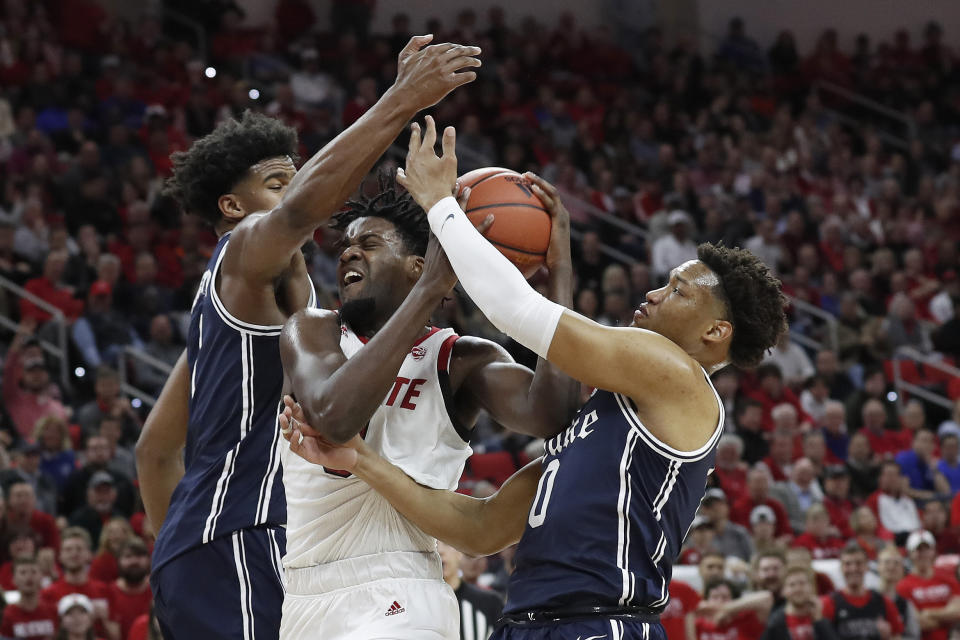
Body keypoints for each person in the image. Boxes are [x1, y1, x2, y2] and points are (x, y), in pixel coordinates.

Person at [281, 118, 787, 639]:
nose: (656, 293)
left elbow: (517, 310)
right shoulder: (605, 417)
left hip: (599, 622)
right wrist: (363, 462)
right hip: (529, 622)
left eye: (678, 291)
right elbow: (480, 529)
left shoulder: (674, 372)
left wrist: (441, 206)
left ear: (716, 332)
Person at [137, 36, 481, 639]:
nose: (295, 192)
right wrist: (401, 101)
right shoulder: (241, 253)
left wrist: (179, 557)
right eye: (276, 183)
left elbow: (153, 450)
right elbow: (299, 212)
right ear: (232, 204)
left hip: (223, 546)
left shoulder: (236, 319)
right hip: (242, 533)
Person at [276, 171, 577, 639]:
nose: (349, 252)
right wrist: (430, 289)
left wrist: (559, 275)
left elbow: (553, 415)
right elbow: (334, 415)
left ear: (420, 264)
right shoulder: (312, 330)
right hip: (299, 592)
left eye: (370, 244)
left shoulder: (460, 359)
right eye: (346, 247)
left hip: (401, 586)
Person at [819, 542, 903, 640]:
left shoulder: (884, 602)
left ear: (867, 566)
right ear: (841, 568)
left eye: (858, 563)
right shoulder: (830, 603)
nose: (853, 568)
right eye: (848, 564)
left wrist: (887, 637)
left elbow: (897, 636)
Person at [896, 530, 960, 640]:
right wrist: (947, 619)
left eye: (927, 549)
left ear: (934, 551)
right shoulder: (903, 586)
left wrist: (928, 612)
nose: (923, 554)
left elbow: (958, 611)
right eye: (918, 550)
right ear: (910, 554)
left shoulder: (948, 578)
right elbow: (917, 623)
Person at [437, 541, 503, 640]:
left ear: (459, 552)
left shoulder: (491, 602)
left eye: (446, 543)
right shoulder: (419, 603)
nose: (440, 551)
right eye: (435, 545)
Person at [760, 566, 840, 640]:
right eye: (792, 585)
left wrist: (819, 620)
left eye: (802, 583)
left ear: (811, 587)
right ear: (783, 591)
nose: (798, 589)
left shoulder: (825, 615)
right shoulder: (775, 622)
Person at [1, 556, 58, 640]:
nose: (29, 577)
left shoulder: (53, 611)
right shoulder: (7, 615)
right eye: (23, 572)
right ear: (13, 579)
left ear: (41, 577)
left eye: (33, 572)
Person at [107, 538, 152, 640]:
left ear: (148, 559)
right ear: (118, 561)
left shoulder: (158, 589)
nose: (134, 561)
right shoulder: (108, 593)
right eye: (128, 556)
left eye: (139, 556)